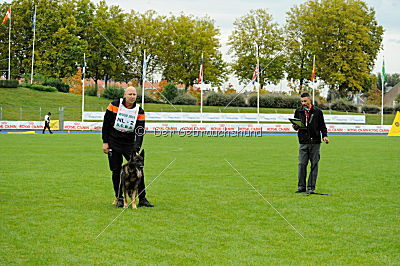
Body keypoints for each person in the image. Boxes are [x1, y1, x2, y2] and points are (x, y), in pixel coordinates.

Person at [102, 86, 154, 208]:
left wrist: (136, 148)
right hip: (113, 141)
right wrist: (105, 142)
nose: (132, 96)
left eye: (134, 94)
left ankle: (142, 198)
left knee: (138, 169)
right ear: (124, 95)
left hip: (129, 143)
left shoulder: (139, 111)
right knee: (116, 170)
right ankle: (119, 197)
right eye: (130, 94)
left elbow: (140, 131)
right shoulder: (114, 105)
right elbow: (106, 124)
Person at [292, 92, 329, 193]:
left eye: (305, 101)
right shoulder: (298, 111)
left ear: (310, 100)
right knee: (302, 164)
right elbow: (296, 127)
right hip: (303, 141)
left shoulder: (318, 112)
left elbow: (322, 125)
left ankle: (311, 187)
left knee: (314, 165)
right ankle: (301, 187)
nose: (303, 103)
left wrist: (325, 136)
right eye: (302, 101)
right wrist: (295, 126)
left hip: (315, 142)